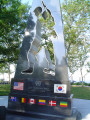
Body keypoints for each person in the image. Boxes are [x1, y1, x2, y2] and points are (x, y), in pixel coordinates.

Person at [22, 2, 57, 76]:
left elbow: (47, 14)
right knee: (44, 53)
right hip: (44, 39)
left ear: (39, 11)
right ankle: (49, 67)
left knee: (35, 52)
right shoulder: (47, 19)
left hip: (43, 38)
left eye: (36, 12)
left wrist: (45, 7)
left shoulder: (42, 18)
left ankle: (33, 68)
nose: (35, 13)